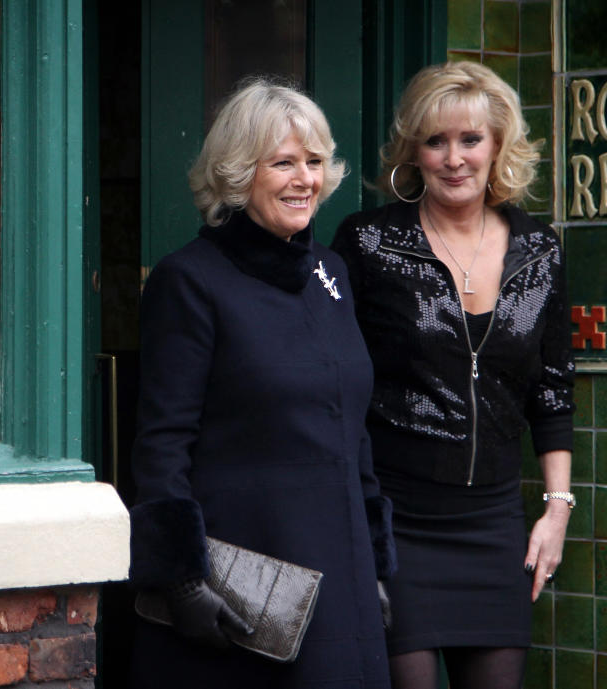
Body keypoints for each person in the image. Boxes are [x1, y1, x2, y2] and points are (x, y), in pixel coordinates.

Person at [127, 77, 396, 689]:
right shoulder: (188, 280)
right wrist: (181, 580)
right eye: (283, 163)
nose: (305, 179)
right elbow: (163, 442)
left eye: (314, 162)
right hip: (246, 591)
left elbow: (353, 431)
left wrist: (375, 567)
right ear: (237, 172)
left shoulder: (331, 273)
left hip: (341, 572)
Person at [330, 61, 575, 689]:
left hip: (492, 523)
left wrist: (556, 509)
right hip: (394, 519)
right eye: (435, 141)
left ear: (497, 146)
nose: (453, 158)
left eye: (470, 140)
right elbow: (335, 379)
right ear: (413, 150)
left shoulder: (539, 251)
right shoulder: (370, 243)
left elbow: (551, 388)